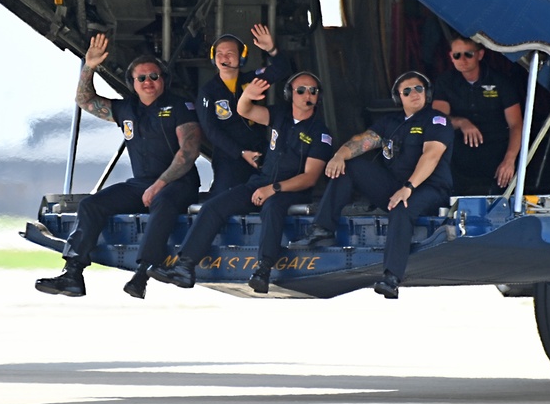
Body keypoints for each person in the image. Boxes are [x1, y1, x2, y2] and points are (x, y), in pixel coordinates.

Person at [35, 33, 201, 299]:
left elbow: (189, 152)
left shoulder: (180, 106)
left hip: (178, 183)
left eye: (154, 76)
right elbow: (85, 101)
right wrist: (89, 67)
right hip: (141, 183)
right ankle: (73, 274)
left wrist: (160, 185)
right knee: (91, 205)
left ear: (164, 80)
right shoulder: (125, 109)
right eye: (142, 78)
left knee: (163, 201)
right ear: (132, 83)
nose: (148, 82)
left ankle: (142, 274)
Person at [148, 72, 333, 293]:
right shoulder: (279, 115)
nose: (307, 95)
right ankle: (185, 266)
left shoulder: (321, 133)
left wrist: (273, 189)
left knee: (273, 208)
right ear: (290, 94)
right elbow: (244, 110)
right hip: (261, 182)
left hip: (290, 189)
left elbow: (310, 177)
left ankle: (263, 269)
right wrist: (247, 95)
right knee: (213, 206)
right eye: (301, 90)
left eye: (313, 91)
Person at [288, 71, 453, 299]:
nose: (414, 94)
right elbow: (362, 141)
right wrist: (338, 156)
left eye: (418, 89)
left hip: (429, 189)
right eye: (407, 91)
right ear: (398, 97)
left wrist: (409, 188)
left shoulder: (436, 120)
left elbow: (431, 156)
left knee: (401, 208)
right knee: (351, 165)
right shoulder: (391, 122)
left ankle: (391, 278)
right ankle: (323, 228)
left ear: (427, 93)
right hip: (397, 186)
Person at [198, 24, 290, 197]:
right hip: (229, 157)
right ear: (213, 59)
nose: (224, 58)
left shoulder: (251, 80)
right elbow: (211, 131)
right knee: (224, 199)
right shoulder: (208, 91)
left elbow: (282, 70)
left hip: (259, 152)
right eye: (219, 54)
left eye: (230, 54)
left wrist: (272, 50)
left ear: (241, 57)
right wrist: (240, 153)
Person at [432, 36, 522, 195]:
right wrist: (461, 122)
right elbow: (438, 120)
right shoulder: (445, 82)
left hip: (497, 153)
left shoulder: (500, 81)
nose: (462, 60)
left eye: (468, 54)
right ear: (451, 57)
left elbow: (516, 124)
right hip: (459, 156)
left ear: (480, 55)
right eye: (457, 55)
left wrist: (510, 160)